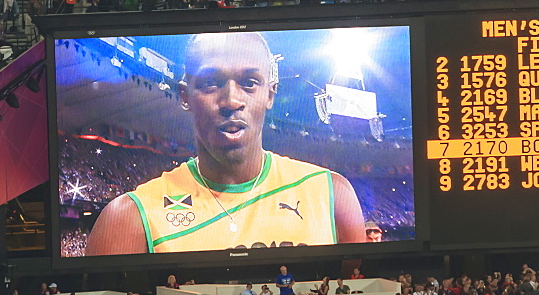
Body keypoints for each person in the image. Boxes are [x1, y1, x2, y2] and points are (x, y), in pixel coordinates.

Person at [85, 32, 367, 255]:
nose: (231, 101)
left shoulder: (331, 196)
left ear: (270, 95)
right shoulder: (130, 218)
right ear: (184, 96)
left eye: (249, 82)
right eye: (210, 83)